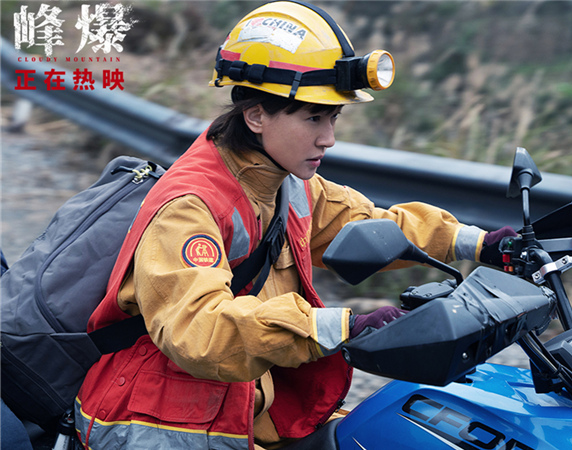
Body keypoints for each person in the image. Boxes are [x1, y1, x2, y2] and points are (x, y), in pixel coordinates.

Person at [74, 2, 516, 449]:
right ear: (257, 116)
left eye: (333, 117)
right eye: (313, 118)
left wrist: (480, 243)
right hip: (160, 423)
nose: (329, 138)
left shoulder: (286, 185)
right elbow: (198, 330)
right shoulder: (191, 205)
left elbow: (370, 225)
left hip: (241, 403)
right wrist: (343, 327)